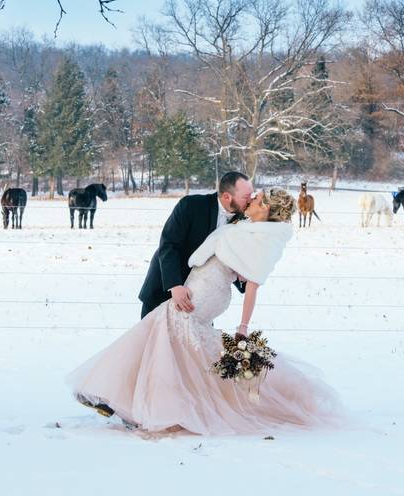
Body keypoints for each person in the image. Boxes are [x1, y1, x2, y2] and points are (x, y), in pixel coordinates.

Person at [68, 189, 342, 436]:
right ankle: (124, 399)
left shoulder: (264, 239)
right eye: (250, 194)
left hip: (206, 292)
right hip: (196, 284)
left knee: (163, 335)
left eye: (257, 199)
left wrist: (243, 328)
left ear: (267, 209)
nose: (252, 198)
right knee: (169, 343)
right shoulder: (243, 225)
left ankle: (120, 397)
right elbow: (175, 246)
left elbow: (253, 284)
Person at [137, 171, 254, 319]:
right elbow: (169, 245)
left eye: (252, 194)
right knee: (153, 340)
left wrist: (246, 278)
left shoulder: (245, 222)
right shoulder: (191, 206)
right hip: (165, 290)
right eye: (246, 197)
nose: (251, 200)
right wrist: (175, 285)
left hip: (201, 301)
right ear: (226, 197)